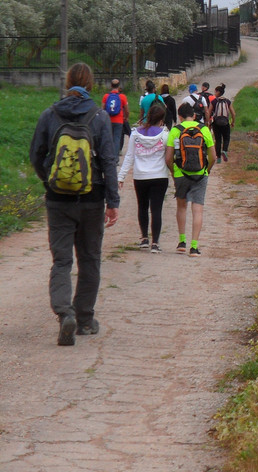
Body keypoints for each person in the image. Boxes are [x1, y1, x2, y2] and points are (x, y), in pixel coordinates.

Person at [29, 62, 120, 345]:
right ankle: (84, 320)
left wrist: (51, 182)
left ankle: (64, 313)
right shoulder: (100, 117)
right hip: (92, 199)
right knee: (89, 259)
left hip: (58, 200)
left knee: (62, 261)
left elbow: (36, 155)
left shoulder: (50, 114)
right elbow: (108, 160)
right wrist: (112, 201)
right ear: (91, 84)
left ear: (68, 83)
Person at [118, 102, 171, 253]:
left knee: (142, 207)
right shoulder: (165, 135)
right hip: (159, 176)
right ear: (162, 119)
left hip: (140, 176)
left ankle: (144, 238)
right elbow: (169, 158)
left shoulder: (135, 134)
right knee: (156, 209)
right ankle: (155, 243)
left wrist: (121, 176)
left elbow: (129, 157)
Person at [165, 101, 215, 257]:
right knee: (197, 209)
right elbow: (213, 156)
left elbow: (168, 158)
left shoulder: (175, 130)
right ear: (194, 115)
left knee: (181, 207)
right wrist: (206, 170)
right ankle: (194, 247)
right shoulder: (204, 129)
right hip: (200, 174)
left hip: (181, 174)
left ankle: (182, 242)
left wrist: (174, 173)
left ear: (179, 117)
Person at [101, 79, 129, 161]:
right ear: (119, 86)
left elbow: (102, 108)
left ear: (110, 86)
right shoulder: (123, 97)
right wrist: (126, 117)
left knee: (109, 138)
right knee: (117, 139)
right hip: (119, 120)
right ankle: (115, 158)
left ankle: (108, 156)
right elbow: (127, 110)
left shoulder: (106, 96)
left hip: (108, 120)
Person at [210, 83, 235, 163]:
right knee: (226, 138)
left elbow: (209, 112)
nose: (214, 93)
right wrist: (232, 122)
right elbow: (233, 113)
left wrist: (209, 122)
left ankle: (219, 158)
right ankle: (224, 150)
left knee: (218, 140)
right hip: (225, 123)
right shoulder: (227, 101)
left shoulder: (214, 101)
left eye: (215, 91)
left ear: (218, 92)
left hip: (216, 123)